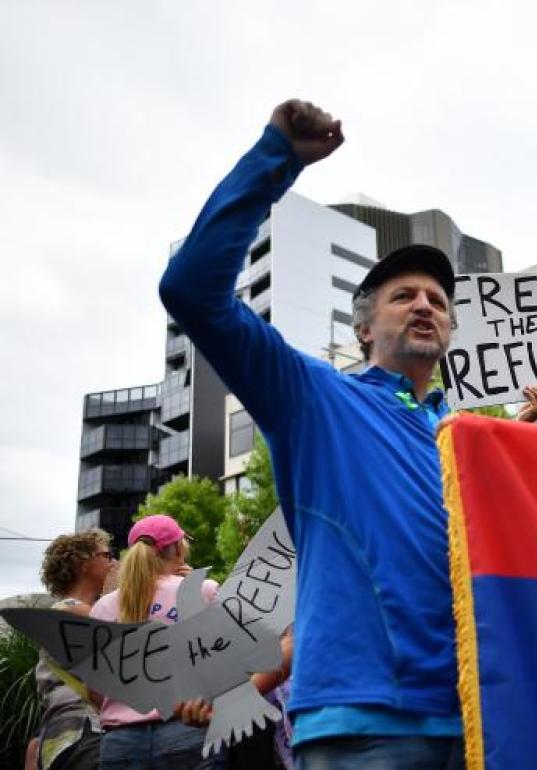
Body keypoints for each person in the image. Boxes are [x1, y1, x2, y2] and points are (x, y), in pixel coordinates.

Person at [160, 99, 465, 769]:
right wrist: (275, 159)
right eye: (402, 295)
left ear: (449, 331)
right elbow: (191, 291)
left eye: (438, 301)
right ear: (363, 329)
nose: (424, 305)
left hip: (480, 719)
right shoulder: (314, 396)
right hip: (362, 725)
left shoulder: (469, 439)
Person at [89, 515, 221, 770]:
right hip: (187, 729)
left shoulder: (103, 607)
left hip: (120, 743)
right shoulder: (203, 590)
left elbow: (94, 688)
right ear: (179, 548)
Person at [26, 530, 113, 770]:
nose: (113, 562)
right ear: (82, 563)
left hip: (62, 737)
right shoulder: (76, 611)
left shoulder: (63, 610)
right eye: (106, 555)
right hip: (86, 734)